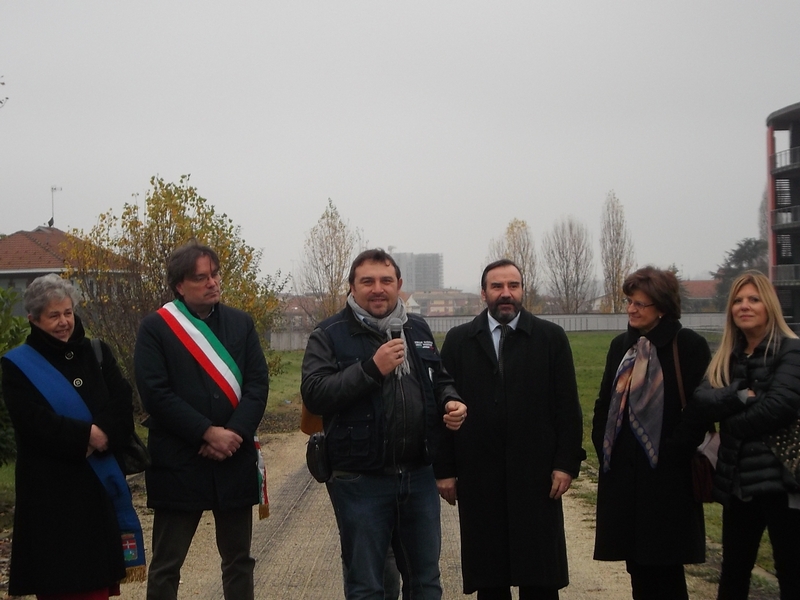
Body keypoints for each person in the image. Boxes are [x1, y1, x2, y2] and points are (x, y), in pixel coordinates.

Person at [301, 248, 467, 600]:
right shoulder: (329, 334)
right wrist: (370, 369)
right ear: (352, 287)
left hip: (417, 476)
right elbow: (315, 394)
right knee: (367, 585)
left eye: (386, 281)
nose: (378, 289)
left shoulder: (417, 328)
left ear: (399, 285)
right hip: (360, 480)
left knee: (426, 582)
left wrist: (450, 400)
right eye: (368, 281)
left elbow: (438, 380)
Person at [434, 259, 585, 600]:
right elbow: (440, 405)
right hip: (479, 476)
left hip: (536, 477)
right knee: (491, 581)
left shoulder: (550, 338)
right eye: (497, 287)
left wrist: (565, 463)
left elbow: (567, 408)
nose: (506, 294)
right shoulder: (459, 341)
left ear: (522, 290)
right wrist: (444, 470)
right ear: (483, 292)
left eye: (513, 286)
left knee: (540, 580)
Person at [135, 240, 269, 600]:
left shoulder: (241, 323)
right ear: (180, 285)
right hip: (180, 460)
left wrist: (234, 434)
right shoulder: (156, 329)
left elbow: (257, 385)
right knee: (167, 564)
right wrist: (207, 433)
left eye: (215, 274)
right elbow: (155, 394)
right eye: (201, 277)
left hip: (234, 457)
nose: (212, 282)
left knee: (239, 560)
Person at [1, 274, 144, 599]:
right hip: (51, 497)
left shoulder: (97, 352)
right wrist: (87, 436)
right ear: (33, 319)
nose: (64, 321)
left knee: (96, 588)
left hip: (96, 492)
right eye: (54, 315)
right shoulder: (17, 367)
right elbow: (34, 423)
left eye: (68, 312)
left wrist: (103, 433)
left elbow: (122, 402)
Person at [591, 266, 711, 600]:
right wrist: (604, 447)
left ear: (662, 307)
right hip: (625, 479)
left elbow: (700, 410)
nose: (631, 308)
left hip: (668, 481)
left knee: (667, 570)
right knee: (637, 568)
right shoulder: (621, 346)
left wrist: (673, 452)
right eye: (629, 301)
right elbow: (605, 402)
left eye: (640, 303)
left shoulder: (687, 344)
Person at [691, 271, 800, 599]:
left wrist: (731, 422)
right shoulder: (728, 356)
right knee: (734, 573)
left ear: (769, 305)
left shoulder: (790, 351)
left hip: (784, 482)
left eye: (753, 299)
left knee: (792, 573)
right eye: (738, 300)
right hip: (739, 485)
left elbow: (779, 406)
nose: (744, 306)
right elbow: (702, 400)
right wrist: (738, 396)